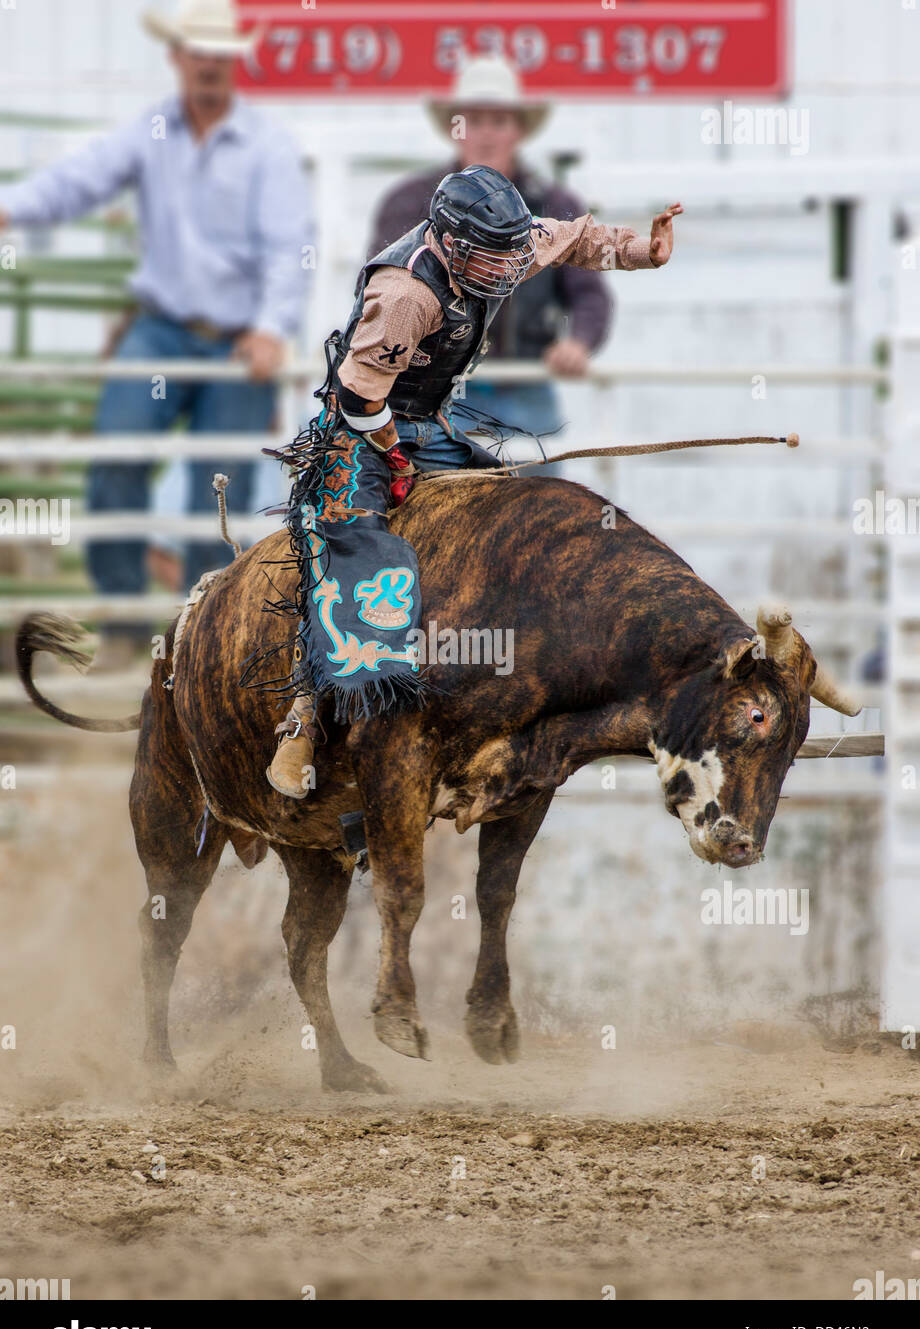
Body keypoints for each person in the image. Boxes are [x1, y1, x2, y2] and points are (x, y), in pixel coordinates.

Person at [265, 165, 681, 798]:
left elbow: (573, 238)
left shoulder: (503, 243)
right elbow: (356, 396)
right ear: (452, 244)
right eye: (494, 256)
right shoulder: (404, 296)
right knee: (353, 549)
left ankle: (514, 682)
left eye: (515, 250)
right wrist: (391, 454)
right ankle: (303, 718)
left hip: (431, 424)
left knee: (518, 515)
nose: (510, 268)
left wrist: (641, 252)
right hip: (358, 432)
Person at [0, 0, 308, 665]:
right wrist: (10, 208)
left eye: (220, 54)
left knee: (216, 492)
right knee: (116, 452)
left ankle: (198, 635)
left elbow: (289, 249)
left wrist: (270, 328)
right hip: (161, 328)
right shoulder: (151, 131)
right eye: (198, 52)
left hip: (236, 344)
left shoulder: (269, 147)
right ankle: (119, 621)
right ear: (177, 58)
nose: (209, 64)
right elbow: (78, 180)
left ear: (233, 62)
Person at [368, 56, 613, 454]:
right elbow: (379, 290)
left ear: (517, 129)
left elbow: (589, 292)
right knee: (435, 506)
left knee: (537, 508)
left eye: (498, 122)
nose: (486, 134)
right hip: (431, 390)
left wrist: (579, 341)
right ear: (456, 128)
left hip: (523, 383)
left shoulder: (553, 204)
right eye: (474, 121)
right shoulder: (408, 202)